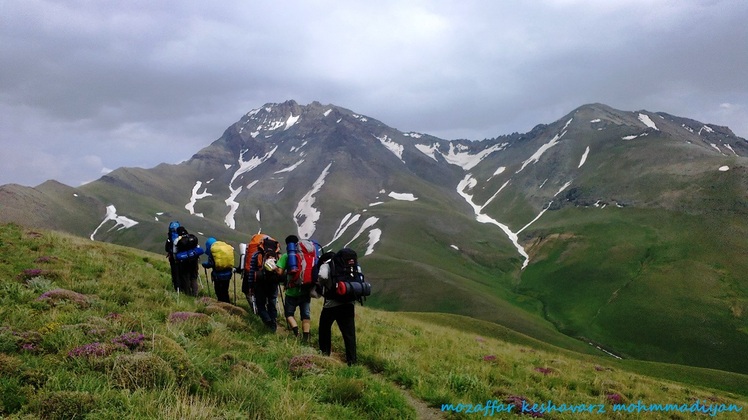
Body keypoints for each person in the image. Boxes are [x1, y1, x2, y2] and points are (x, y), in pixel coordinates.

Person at [318, 248, 361, 365]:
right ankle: (352, 361)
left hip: (331, 303)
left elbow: (322, 277)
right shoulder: (354, 266)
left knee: (324, 328)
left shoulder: (327, 265)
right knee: (349, 333)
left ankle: (325, 354)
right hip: (349, 303)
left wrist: (322, 285)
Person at [275, 235, 313, 343]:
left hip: (291, 292)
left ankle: (297, 333)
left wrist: (273, 267)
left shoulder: (287, 256)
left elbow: (280, 272)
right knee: (305, 315)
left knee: (289, 314)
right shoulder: (305, 256)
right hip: (305, 290)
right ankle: (306, 337)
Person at [244, 237, 282, 332]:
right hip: (273, 283)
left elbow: (252, 271)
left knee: (260, 304)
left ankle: (267, 321)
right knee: (272, 303)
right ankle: (273, 323)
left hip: (260, 283)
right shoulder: (278, 255)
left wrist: (250, 286)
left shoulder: (257, 254)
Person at [201, 237, 233, 303]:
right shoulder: (222, 248)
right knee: (225, 290)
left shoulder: (213, 251)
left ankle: (221, 304)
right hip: (228, 274)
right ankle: (227, 304)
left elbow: (210, 263)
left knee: (219, 291)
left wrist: (204, 265)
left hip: (218, 275)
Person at [173, 226, 200, 296]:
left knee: (186, 277)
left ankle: (187, 294)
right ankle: (195, 293)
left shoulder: (178, 240)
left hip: (184, 262)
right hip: (194, 261)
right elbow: (198, 247)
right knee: (194, 277)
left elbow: (175, 252)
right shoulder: (192, 237)